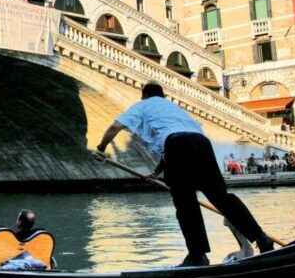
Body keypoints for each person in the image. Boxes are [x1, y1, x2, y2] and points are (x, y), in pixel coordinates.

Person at [94, 83, 274, 267]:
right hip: (202, 143)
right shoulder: (175, 109)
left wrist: (101, 148)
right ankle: (262, 238)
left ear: (144, 96)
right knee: (222, 198)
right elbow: (174, 142)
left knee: (185, 203)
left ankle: (198, 255)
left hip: (177, 146)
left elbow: (115, 127)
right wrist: (156, 173)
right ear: (163, 96)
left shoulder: (143, 105)